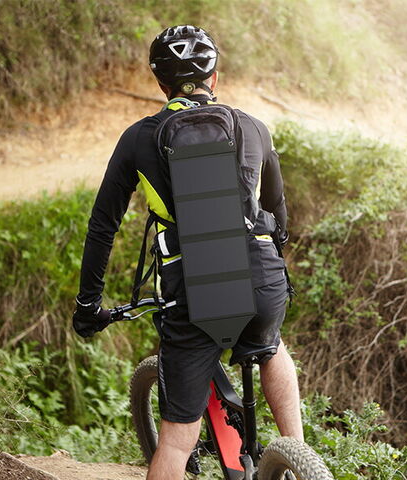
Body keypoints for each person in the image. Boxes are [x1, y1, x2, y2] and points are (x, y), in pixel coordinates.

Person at [72, 25, 303, 480]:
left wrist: (88, 305)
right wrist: (270, 262)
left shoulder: (139, 138)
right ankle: (299, 455)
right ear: (214, 78)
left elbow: (102, 227)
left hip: (195, 293)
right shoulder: (254, 127)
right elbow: (277, 212)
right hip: (262, 278)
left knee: (177, 441)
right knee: (271, 346)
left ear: (161, 84)